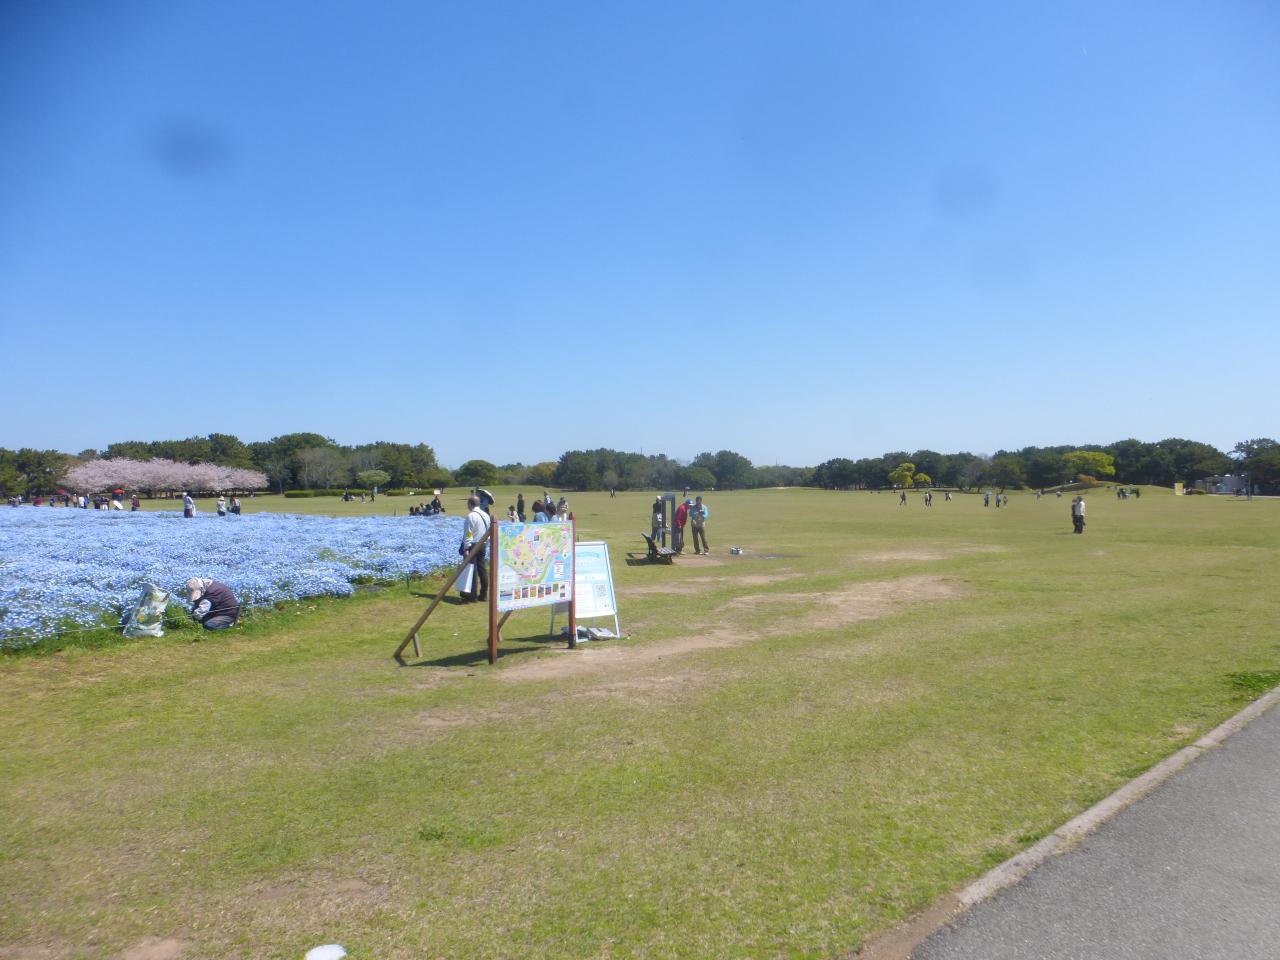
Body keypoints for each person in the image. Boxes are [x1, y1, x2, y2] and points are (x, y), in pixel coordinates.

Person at [460, 495, 491, 602]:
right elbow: (488, 531)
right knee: (482, 569)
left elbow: (468, 534)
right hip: (483, 544)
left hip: (473, 544)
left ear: (470, 504)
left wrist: (466, 548)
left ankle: (471, 596)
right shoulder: (486, 515)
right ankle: (483, 595)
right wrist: (486, 543)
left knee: (471, 570)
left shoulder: (471, 516)